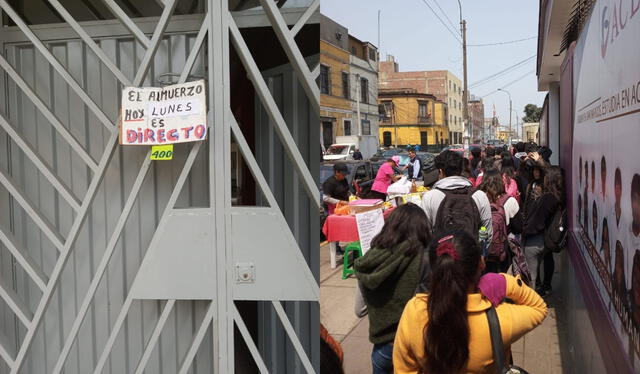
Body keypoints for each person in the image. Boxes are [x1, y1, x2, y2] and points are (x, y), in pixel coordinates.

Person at [393, 231, 548, 374]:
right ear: (481, 265)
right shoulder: (500, 321)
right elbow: (539, 308)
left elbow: (404, 369)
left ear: (435, 270)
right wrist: (506, 282)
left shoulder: (414, 310)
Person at [353, 204, 431, 374]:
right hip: (415, 344)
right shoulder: (424, 257)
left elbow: (359, 310)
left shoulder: (370, 258)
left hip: (382, 348)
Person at [420, 150, 493, 240]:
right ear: (461, 169)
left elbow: (425, 233)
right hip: (472, 252)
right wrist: (481, 252)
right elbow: (487, 232)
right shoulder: (479, 195)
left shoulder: (429, 197)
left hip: (440, 252)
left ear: (440, 172)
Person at [522, 165, 563, 295]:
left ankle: (531, 307)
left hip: (535, 240)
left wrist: (525, 232)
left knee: (530, 278)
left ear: (550, 179)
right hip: (544, 239)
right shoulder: (558, 196)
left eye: (545, 176)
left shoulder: (548, 198)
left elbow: (536, 221)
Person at [478, 170, 522, 273]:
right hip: (502, 252)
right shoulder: (510, 201)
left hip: (482, 252)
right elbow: (518, 228)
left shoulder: (478, 199)